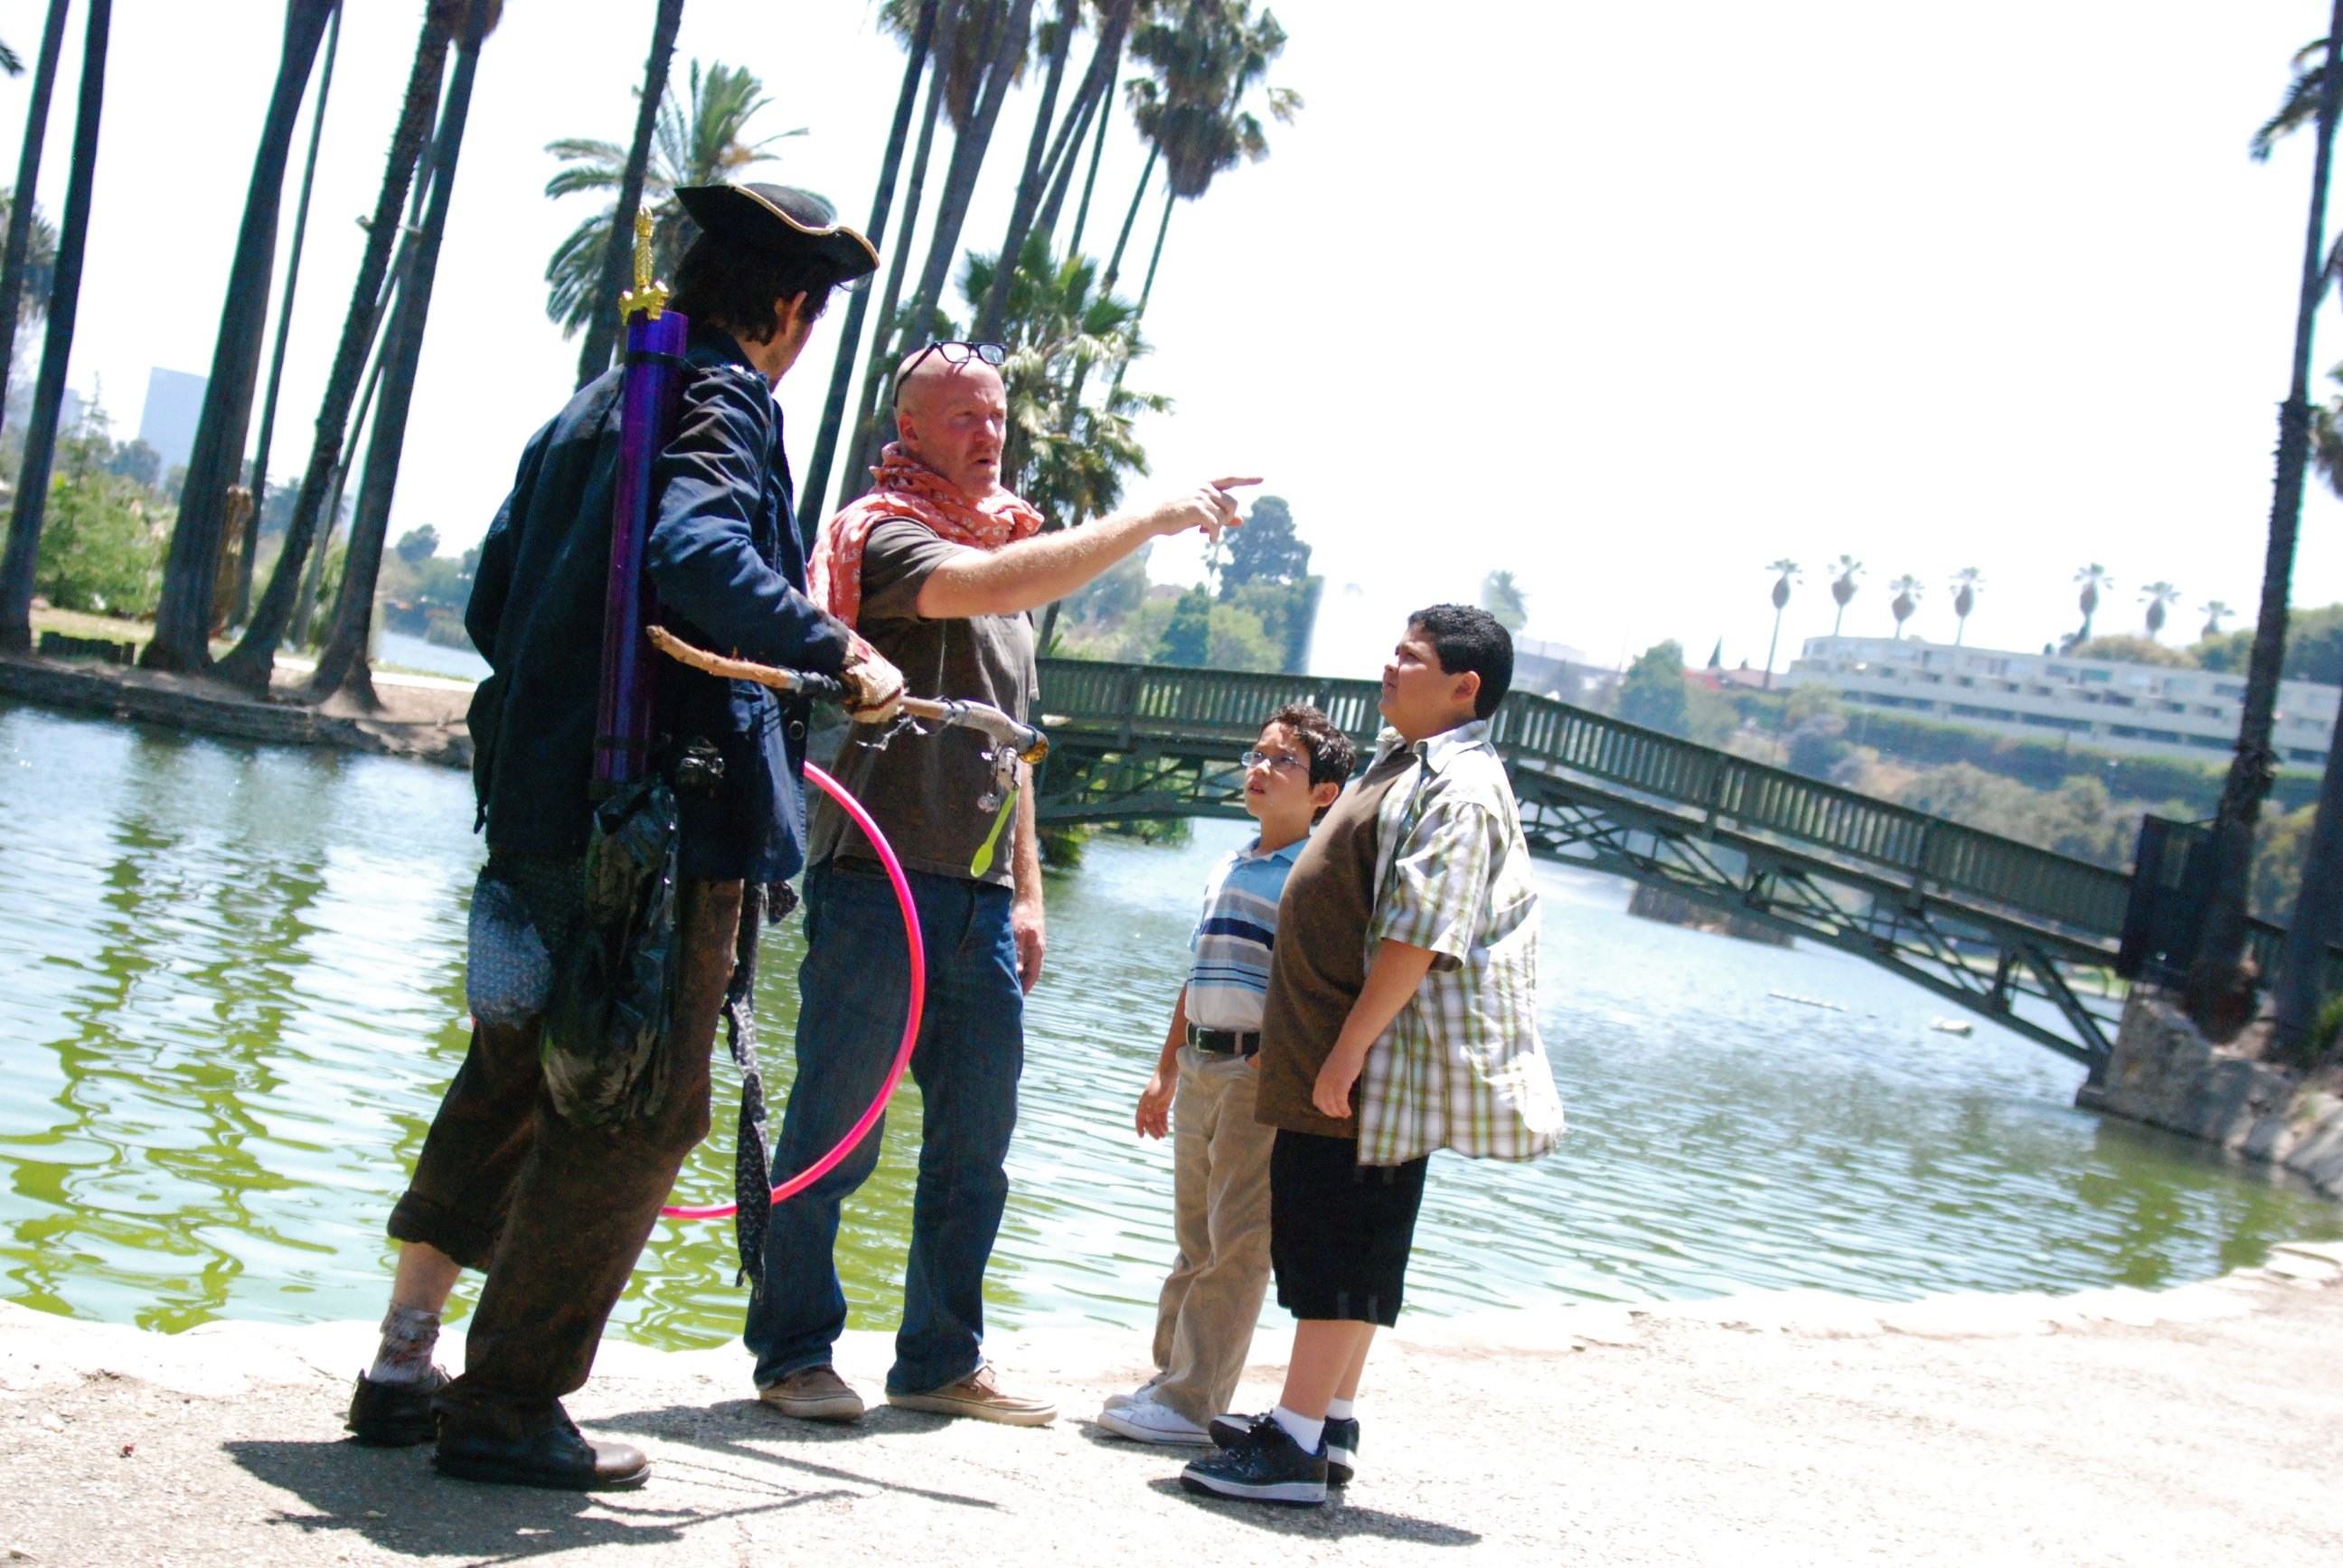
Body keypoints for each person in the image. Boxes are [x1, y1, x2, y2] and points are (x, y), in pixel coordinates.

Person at [343, 183, 904, 1491]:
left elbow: (493, 600)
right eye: (811, 312)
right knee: (637, 1107)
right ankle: (510, 1400)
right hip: (654, 832)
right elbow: (697, 551)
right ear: (784, 305)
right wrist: (836, 645)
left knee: (509, 1074)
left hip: (542, 809)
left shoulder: (597, 402)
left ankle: (401, 1362)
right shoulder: (720, 399)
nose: (807, 335)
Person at [745, 340, 1256, 1425]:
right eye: (964, 418)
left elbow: (1011, 750)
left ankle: (938, 1362)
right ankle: (792, 1352)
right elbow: (984, 584)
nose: (989, 436)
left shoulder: (1010, 552)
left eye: (997, 417)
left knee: (975, 1146)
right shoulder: (884, 534)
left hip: (975, 903)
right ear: (912, 430)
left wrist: (1026, 890)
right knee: (838, 1129)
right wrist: (1157, 518)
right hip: (877, 881)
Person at [1181, 605, 1567, 1507]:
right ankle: (1331, 1420)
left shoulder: (1462, 786)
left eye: (1412, 657)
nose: (1390, 666)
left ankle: (1294, 1444)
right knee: (1348, 1242)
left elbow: (1421, 932)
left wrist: (1349, 1047)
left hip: (1375, 1056)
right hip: (1348, 1048)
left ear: (1465, 687)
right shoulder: (1411, 761)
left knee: (1337, 1242)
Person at [1099, 705, 1355, 1446]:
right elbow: (1198, 972)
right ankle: (1170, 1378)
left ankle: (1193, 1400)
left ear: (1324, 795)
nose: (1261, 768)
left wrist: (1273, 1056)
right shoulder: (1231, 863)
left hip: (1253, 1070)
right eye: (1258, 754)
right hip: (1201, 1060)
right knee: (1193, 1234)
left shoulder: (1314, 875)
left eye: (1284, 761)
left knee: (1237, 1238)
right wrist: (1164, 1071)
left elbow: (1319, 982)